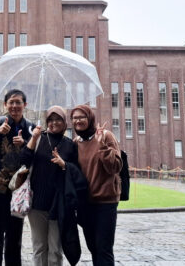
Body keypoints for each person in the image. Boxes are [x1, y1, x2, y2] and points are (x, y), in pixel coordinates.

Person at [20, 106, 83, 266]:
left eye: (58, 119)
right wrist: (33, 139)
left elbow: (77, 172)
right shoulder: (38, 138)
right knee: (39, 247)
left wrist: (64, 165)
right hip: (37, 203)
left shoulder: (70, 144)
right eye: (51, 119)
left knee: (55, 250)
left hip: (59, 204)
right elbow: (23, 161)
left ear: (64, 122)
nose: (54, 123)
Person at [0, 89, 34, 266]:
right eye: (11, 102)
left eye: (18, 102)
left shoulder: (31, 128)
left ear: (24, 105)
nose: (14, 106)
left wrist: (26, 144)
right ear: (5, 104)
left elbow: (35, 157)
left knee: (15, 236)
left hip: (18, 190)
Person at [70, 104, 122, 266]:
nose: (78, 121)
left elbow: (115, 167)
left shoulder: (106, 136)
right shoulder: (76, 142)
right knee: (93, 247)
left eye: (82, 117)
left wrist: (102, 147)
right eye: (75, 118)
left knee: (104, 248)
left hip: (105, 202)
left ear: (90, 118)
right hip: (85, 203)